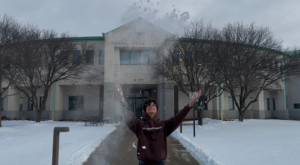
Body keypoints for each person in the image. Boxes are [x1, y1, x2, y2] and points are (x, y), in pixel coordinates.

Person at [115, 84, 201, 165]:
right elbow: (129, 116)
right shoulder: (140, 125)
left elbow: (178, 118)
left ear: (156, 109)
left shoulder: (164, 125)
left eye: (153, 105)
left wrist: (190, 104)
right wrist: (122, 98)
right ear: (145, 110)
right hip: (144, 163)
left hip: (159, 163)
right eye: (148, 105)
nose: (151, 106)